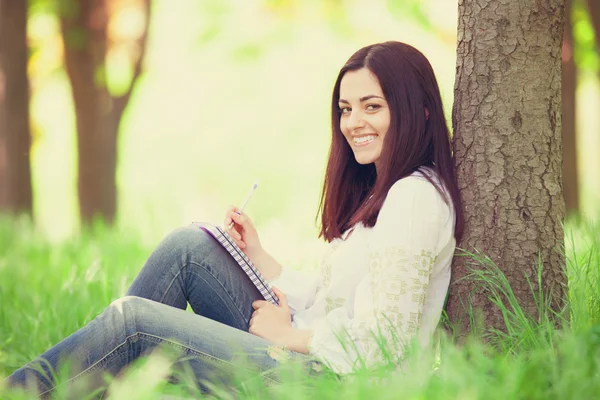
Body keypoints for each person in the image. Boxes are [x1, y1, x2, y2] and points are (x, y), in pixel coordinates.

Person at [4, 41, 463, 398]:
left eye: (372, 106)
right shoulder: (385, 192)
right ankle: (89, 379)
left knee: (135, 322)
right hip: (318, 358)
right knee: (190, 248)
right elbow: (340, 299)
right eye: (346, 109)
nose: (353, 122)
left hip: (335, 384)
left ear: (417, 109)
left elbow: (385, 344)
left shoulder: (414, 201)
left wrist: (291, 335)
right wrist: (260, 258)